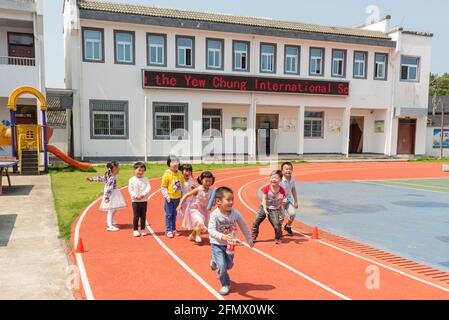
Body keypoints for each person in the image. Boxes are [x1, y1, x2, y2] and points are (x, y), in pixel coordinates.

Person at [208, 187, 254, 296]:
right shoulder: (215, 215)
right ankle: (225, 284)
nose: (231, 202)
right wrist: (222, 236)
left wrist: (249, 239)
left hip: (230, 244)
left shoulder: (235, 214)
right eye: (228, 200)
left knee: (229, 265)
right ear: (218, 202)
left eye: (232, 199)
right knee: (222, 266)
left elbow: (244, 226)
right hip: (217, 243)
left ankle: (214, 259)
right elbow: (210, 230)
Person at [86, 161, 127, 232]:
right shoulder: (112, 178)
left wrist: (91, 179)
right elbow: (109, 188)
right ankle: (109, 226)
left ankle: (111, 220)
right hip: (111, 194)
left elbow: (100, 178)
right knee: (111, 210)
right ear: (114, 169)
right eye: (118, 168)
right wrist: (107, 197)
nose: (119, 169)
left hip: (112, 193)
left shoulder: (108, 175)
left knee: (115, 208)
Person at [177, 171, 215, 243]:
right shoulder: (198, 189)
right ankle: (198, 235)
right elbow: (186, 195)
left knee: (200, 223)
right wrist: (180, 204)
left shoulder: (211, 191)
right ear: (201, 180)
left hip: (204, 210)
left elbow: (212, 203)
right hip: (194, 208)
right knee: (199, 221)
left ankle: (192, 235)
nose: (208, 183)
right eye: (206, 181)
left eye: (210, 181)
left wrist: (213, 202)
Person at [251, 170, 285, 244]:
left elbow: (280, 203)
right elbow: (264, 199)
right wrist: (265, 209)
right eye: (272, 177)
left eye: (275, 178)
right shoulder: (267, 188)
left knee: (276, 224)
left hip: (274, 209)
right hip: (264, 207)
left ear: (280, 180)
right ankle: (253, 235)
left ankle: (278, 237)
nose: (273, 179)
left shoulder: (281, 190)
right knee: (256, 221)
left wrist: (280, 199)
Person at [161, 157, 185, 238]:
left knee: (174, 214)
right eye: (173, 162)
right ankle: (168, 230)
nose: (175, 164)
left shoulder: (180, 174)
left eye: (176, 162)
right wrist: (166, 196)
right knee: (169, 215)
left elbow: (182, 185)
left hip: (177, 198)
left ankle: (174, 229)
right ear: (169, 164)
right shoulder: (167, 174)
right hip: (169, 199)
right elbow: (163, 187)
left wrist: (182, 196)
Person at [128, 162, 151, 237]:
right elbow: (130, 190)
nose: (141, 172)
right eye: (139, 170)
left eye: (142, 171)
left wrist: (143, 194)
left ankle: (143, 229)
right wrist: (135, 196)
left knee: (143, 215)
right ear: (134, 170)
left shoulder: (145, 179)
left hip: (143, 200)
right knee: (136, 216)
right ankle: (135, 230)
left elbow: (148, 187)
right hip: (135, 201)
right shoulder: (131, 179)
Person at [280, 162, 299, 236]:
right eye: (286, 169)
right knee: (281, 217)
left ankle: (287, 226)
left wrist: (296, 201)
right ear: (282, 170)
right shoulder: (280, 180)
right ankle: (279, 230)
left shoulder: (292, 179)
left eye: (290, 169)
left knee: (293, 214)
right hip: (280, 202)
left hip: (287, 201)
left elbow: (293, 189)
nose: (288, 170)